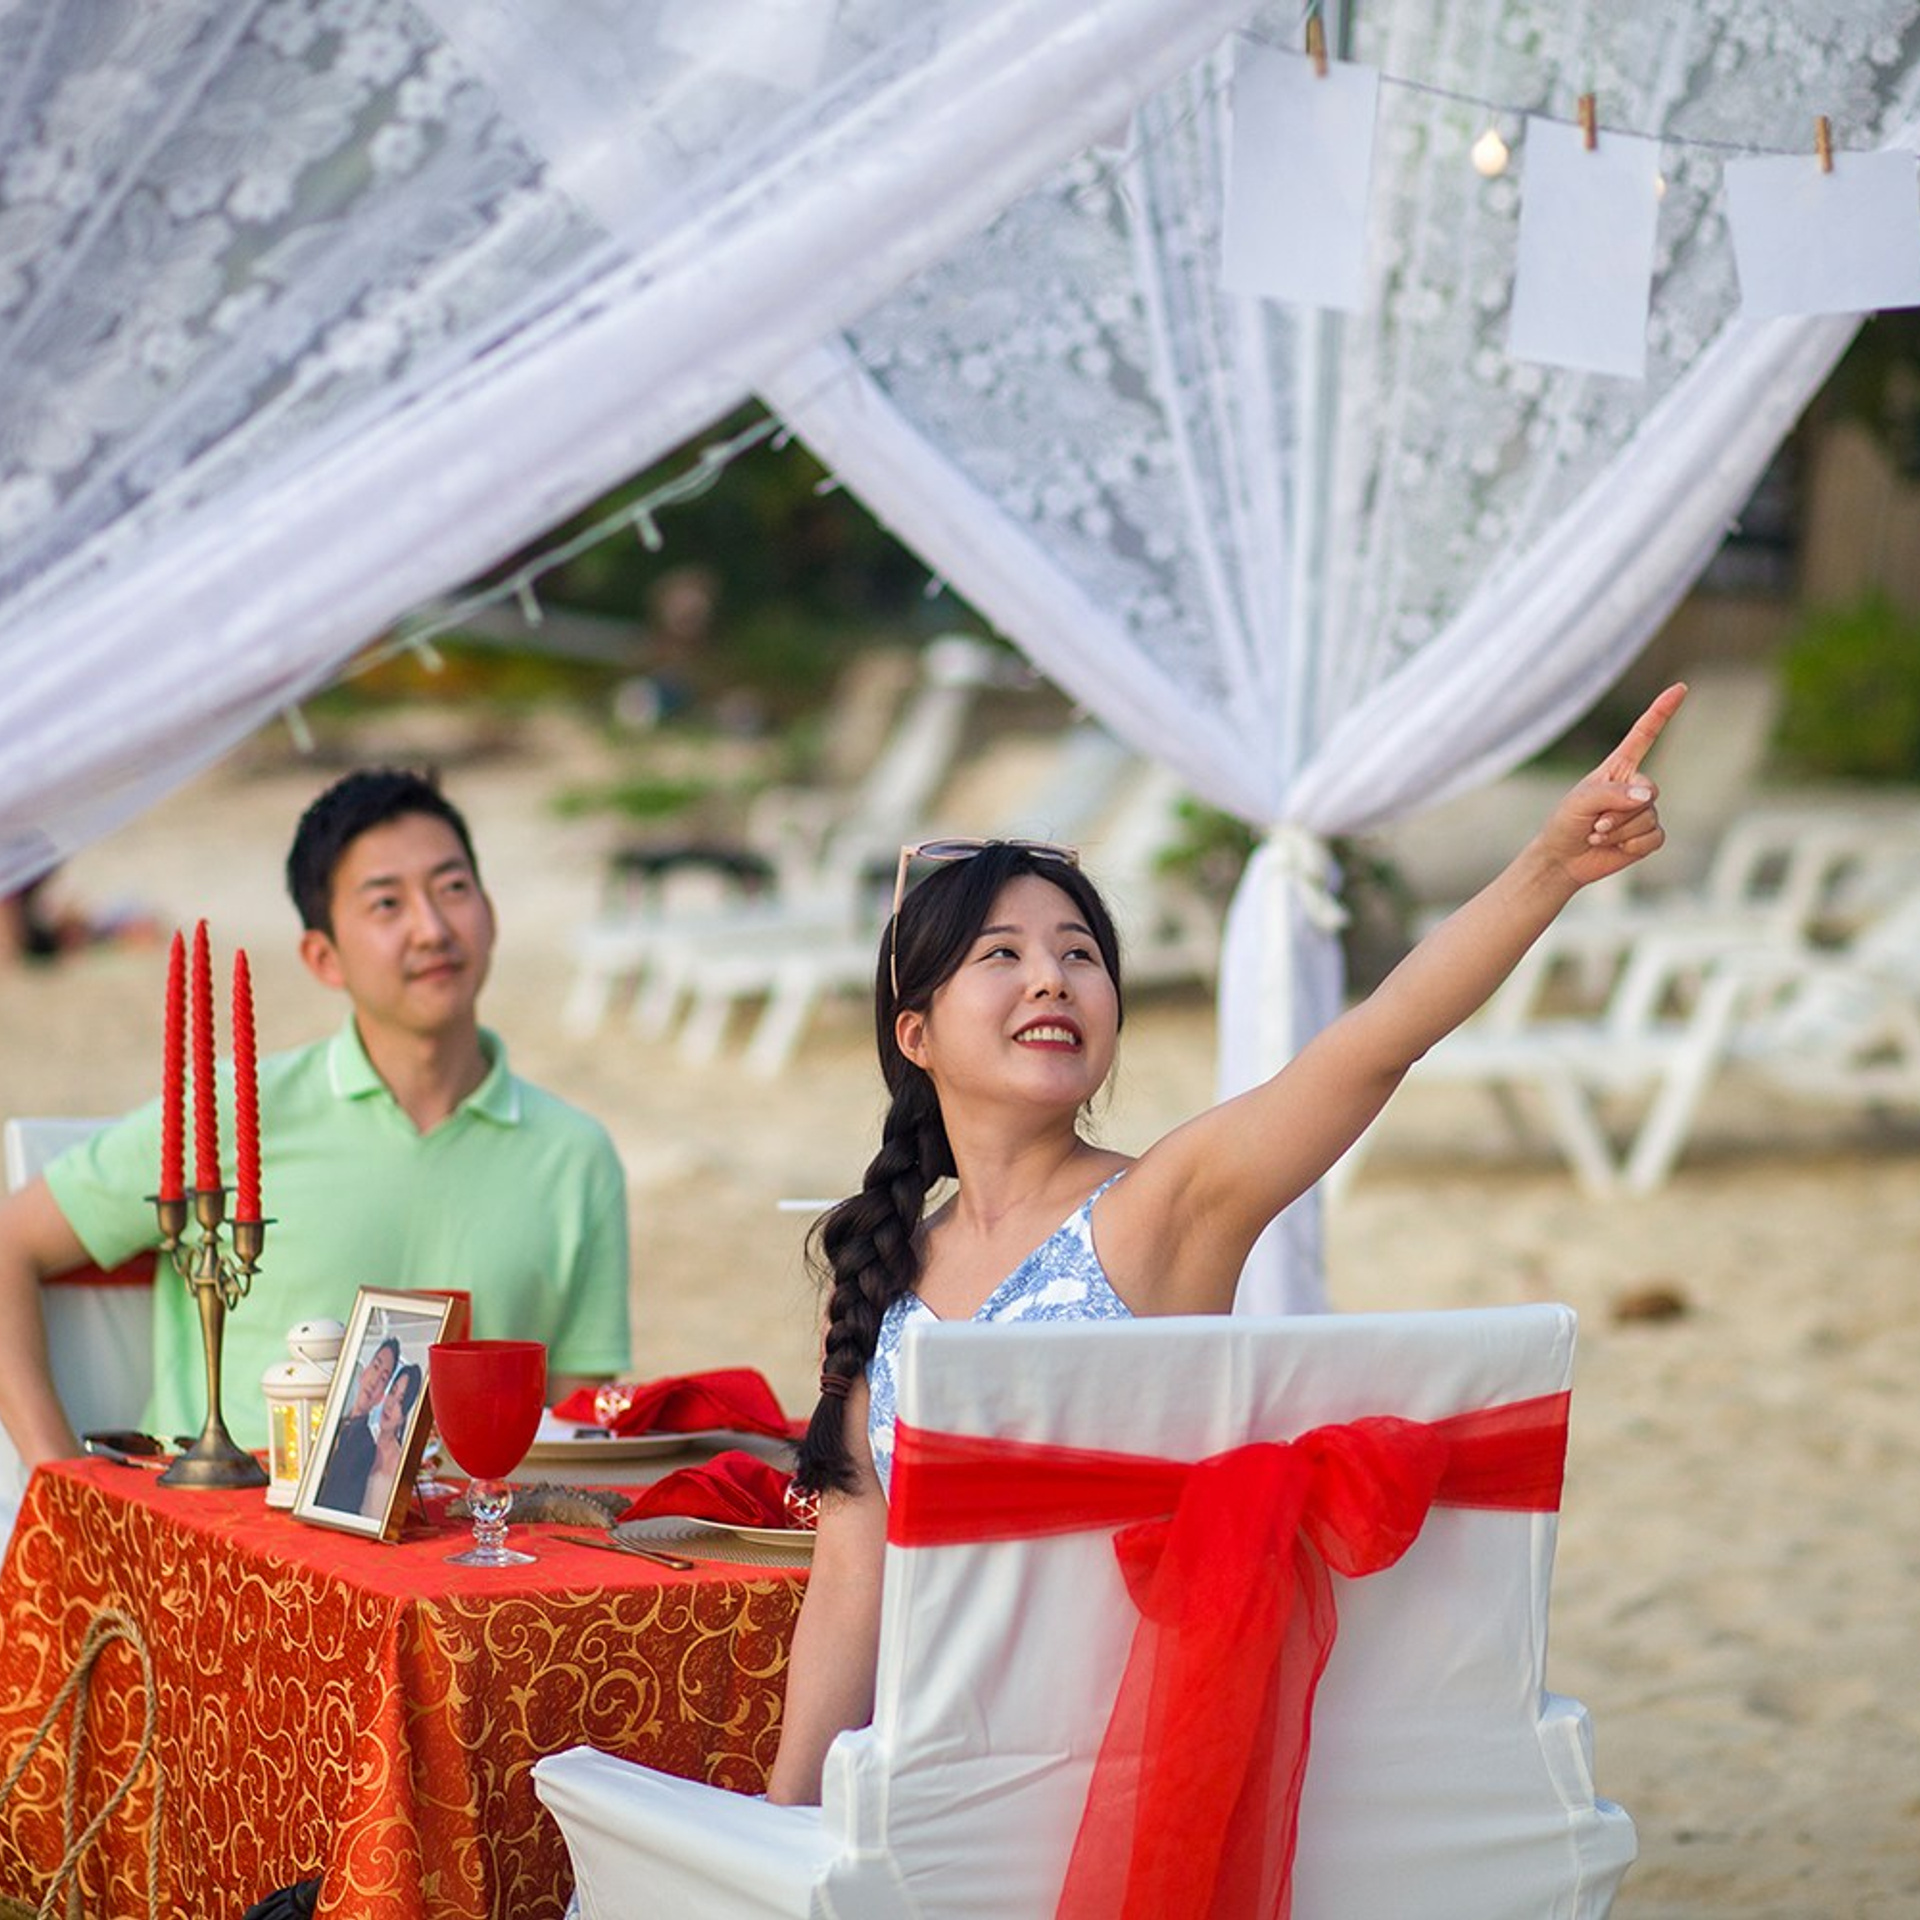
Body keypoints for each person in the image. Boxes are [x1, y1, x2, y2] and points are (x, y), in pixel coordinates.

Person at [765, 684, 1688, 1804]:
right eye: (1001, 954)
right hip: (934, 1766)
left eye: (1080, 954)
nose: (1053, 976)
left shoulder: (1165, 1206)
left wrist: (1548, 868)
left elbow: (1372, 1047)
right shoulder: (882, 1272)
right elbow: (849, 1580)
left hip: (1109, 1759)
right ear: (916, 1033)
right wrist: (790, 1816)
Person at [0, 768, 632, 1464]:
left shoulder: (576, 1154)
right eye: (387, 903)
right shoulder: (232, 1113)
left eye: (453, 888)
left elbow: (577, 1425)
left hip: (467, 1529)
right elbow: (8, 1243)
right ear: (323, 957)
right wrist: (55, 1483)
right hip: (221, 1523)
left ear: (491, 912)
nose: (432, 928)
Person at [311, 1335, 399, 1513]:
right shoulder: (335, 1424)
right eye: (375, 1367)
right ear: (363, 1373)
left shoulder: (365, 1445)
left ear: (381, 1396)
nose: (374, 1381)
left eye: (383, 1379)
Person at [358, 1362, 423, 1522]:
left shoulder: (400, 1462)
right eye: (392, 1392)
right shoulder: (363, 1436)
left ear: (405, 1416)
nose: (391, 1404)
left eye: (400, 1401)